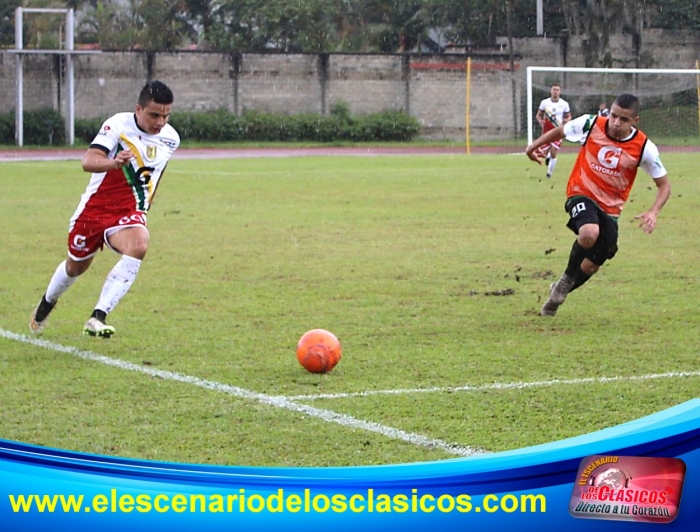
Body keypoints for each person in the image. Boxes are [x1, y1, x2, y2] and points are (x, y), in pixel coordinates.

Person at [29, 80, 180, 337]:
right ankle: (47, 302)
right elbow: (88, 161)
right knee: (75, 267)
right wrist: (114, 163)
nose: (160, 122)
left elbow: (159, 169)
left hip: (128, 211)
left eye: (166, 115)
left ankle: (98, 316)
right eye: (155, 115)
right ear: (138, 109)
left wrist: (148, 201)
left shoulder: (171, 138)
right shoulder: (118, 126)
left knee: (139, 244)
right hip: (94, 210)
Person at [525, 93, 670, 317]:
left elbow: (664, 185)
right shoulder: (590, 123)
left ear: (635, 121)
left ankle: (557, 294)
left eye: (624, 119)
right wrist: (532, 146)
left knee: (592, 265)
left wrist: (654, 211)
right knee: (589, 232)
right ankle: (564, 282)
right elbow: (561, 130)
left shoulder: (644, 148)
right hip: (580, 192)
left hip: (611, 209)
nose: (616, 123)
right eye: (613, 116)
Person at [536, 83, 572, 178]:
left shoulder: (564, 104)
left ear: (560, 92)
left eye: (557, 90)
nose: (555, 92)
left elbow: (569, 116)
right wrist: (541, 122)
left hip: (558, 130)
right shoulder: (545, 103)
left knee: (554, 151)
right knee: (544, 152)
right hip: (547, 130)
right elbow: (538, 115)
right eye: (554, 89)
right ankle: (548, 157)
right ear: (551, 91)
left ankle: (549, 174)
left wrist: (566, 121)